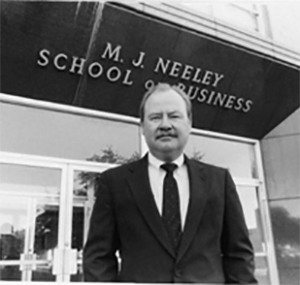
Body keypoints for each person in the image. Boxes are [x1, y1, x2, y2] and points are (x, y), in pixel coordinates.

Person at [83, 83, 257, 283]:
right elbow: (98, 257)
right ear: (142, 126)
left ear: (189, 123)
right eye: (155, 117)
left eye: (174, 116)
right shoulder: (114, 183)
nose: (165, 125)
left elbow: (239, 255)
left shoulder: (219, 181)